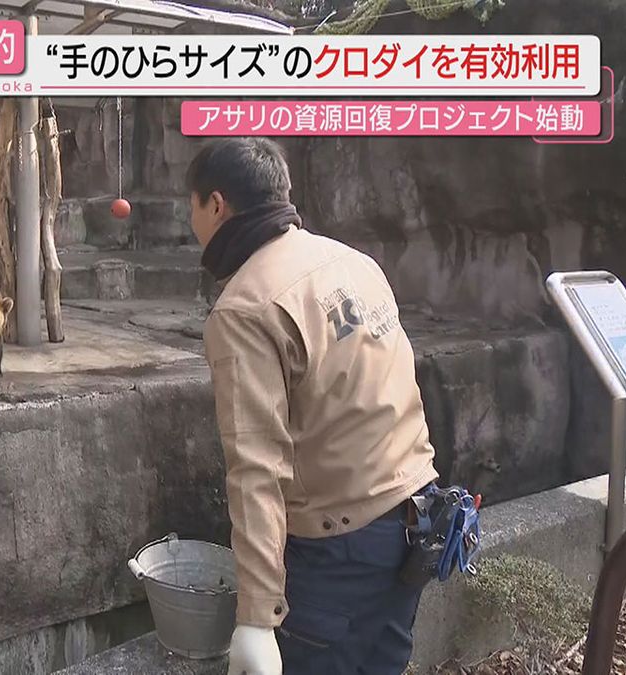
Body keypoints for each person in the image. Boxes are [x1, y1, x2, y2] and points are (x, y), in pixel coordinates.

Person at [187, 137, 440, 675]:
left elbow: (256, 468)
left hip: (338, 548)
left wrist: (255, 618)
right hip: (416, 516)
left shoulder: (244, 308)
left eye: (194, 208)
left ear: (215, 205)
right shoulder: (354, 262)